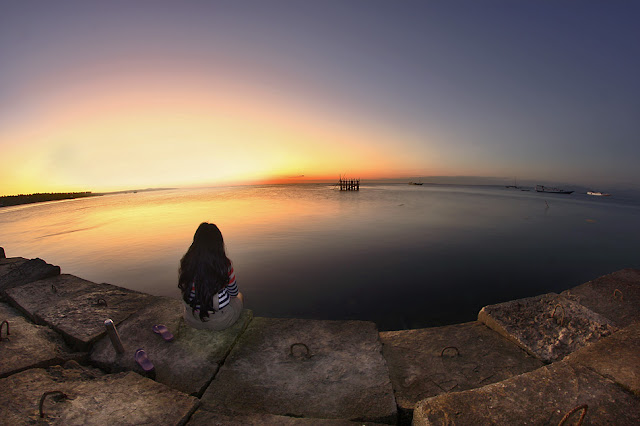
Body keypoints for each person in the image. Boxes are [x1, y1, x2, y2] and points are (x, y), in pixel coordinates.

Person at [178, 222, 244, 330]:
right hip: (220, 321)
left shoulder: (186, 263)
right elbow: (234, 293)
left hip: (191, 319)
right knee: (239, 296)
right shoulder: (224, 265)